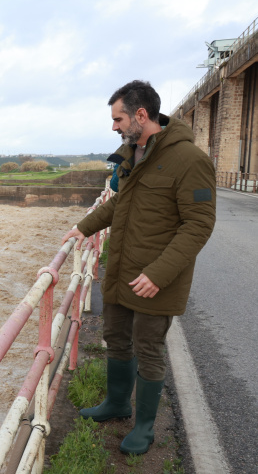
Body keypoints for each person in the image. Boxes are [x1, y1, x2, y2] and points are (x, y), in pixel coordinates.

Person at [61, 80, 216, 455]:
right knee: (115, 338)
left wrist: (159, 274)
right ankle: (117, 404)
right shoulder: (134, 153)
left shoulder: (190, 160)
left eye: (118, 119)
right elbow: (119, 205)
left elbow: (199, 225)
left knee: (148, 348)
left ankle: (144, 428)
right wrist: (84, 227)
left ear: (141, 115)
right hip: (121, 269)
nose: (114, 127)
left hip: (156, 279)